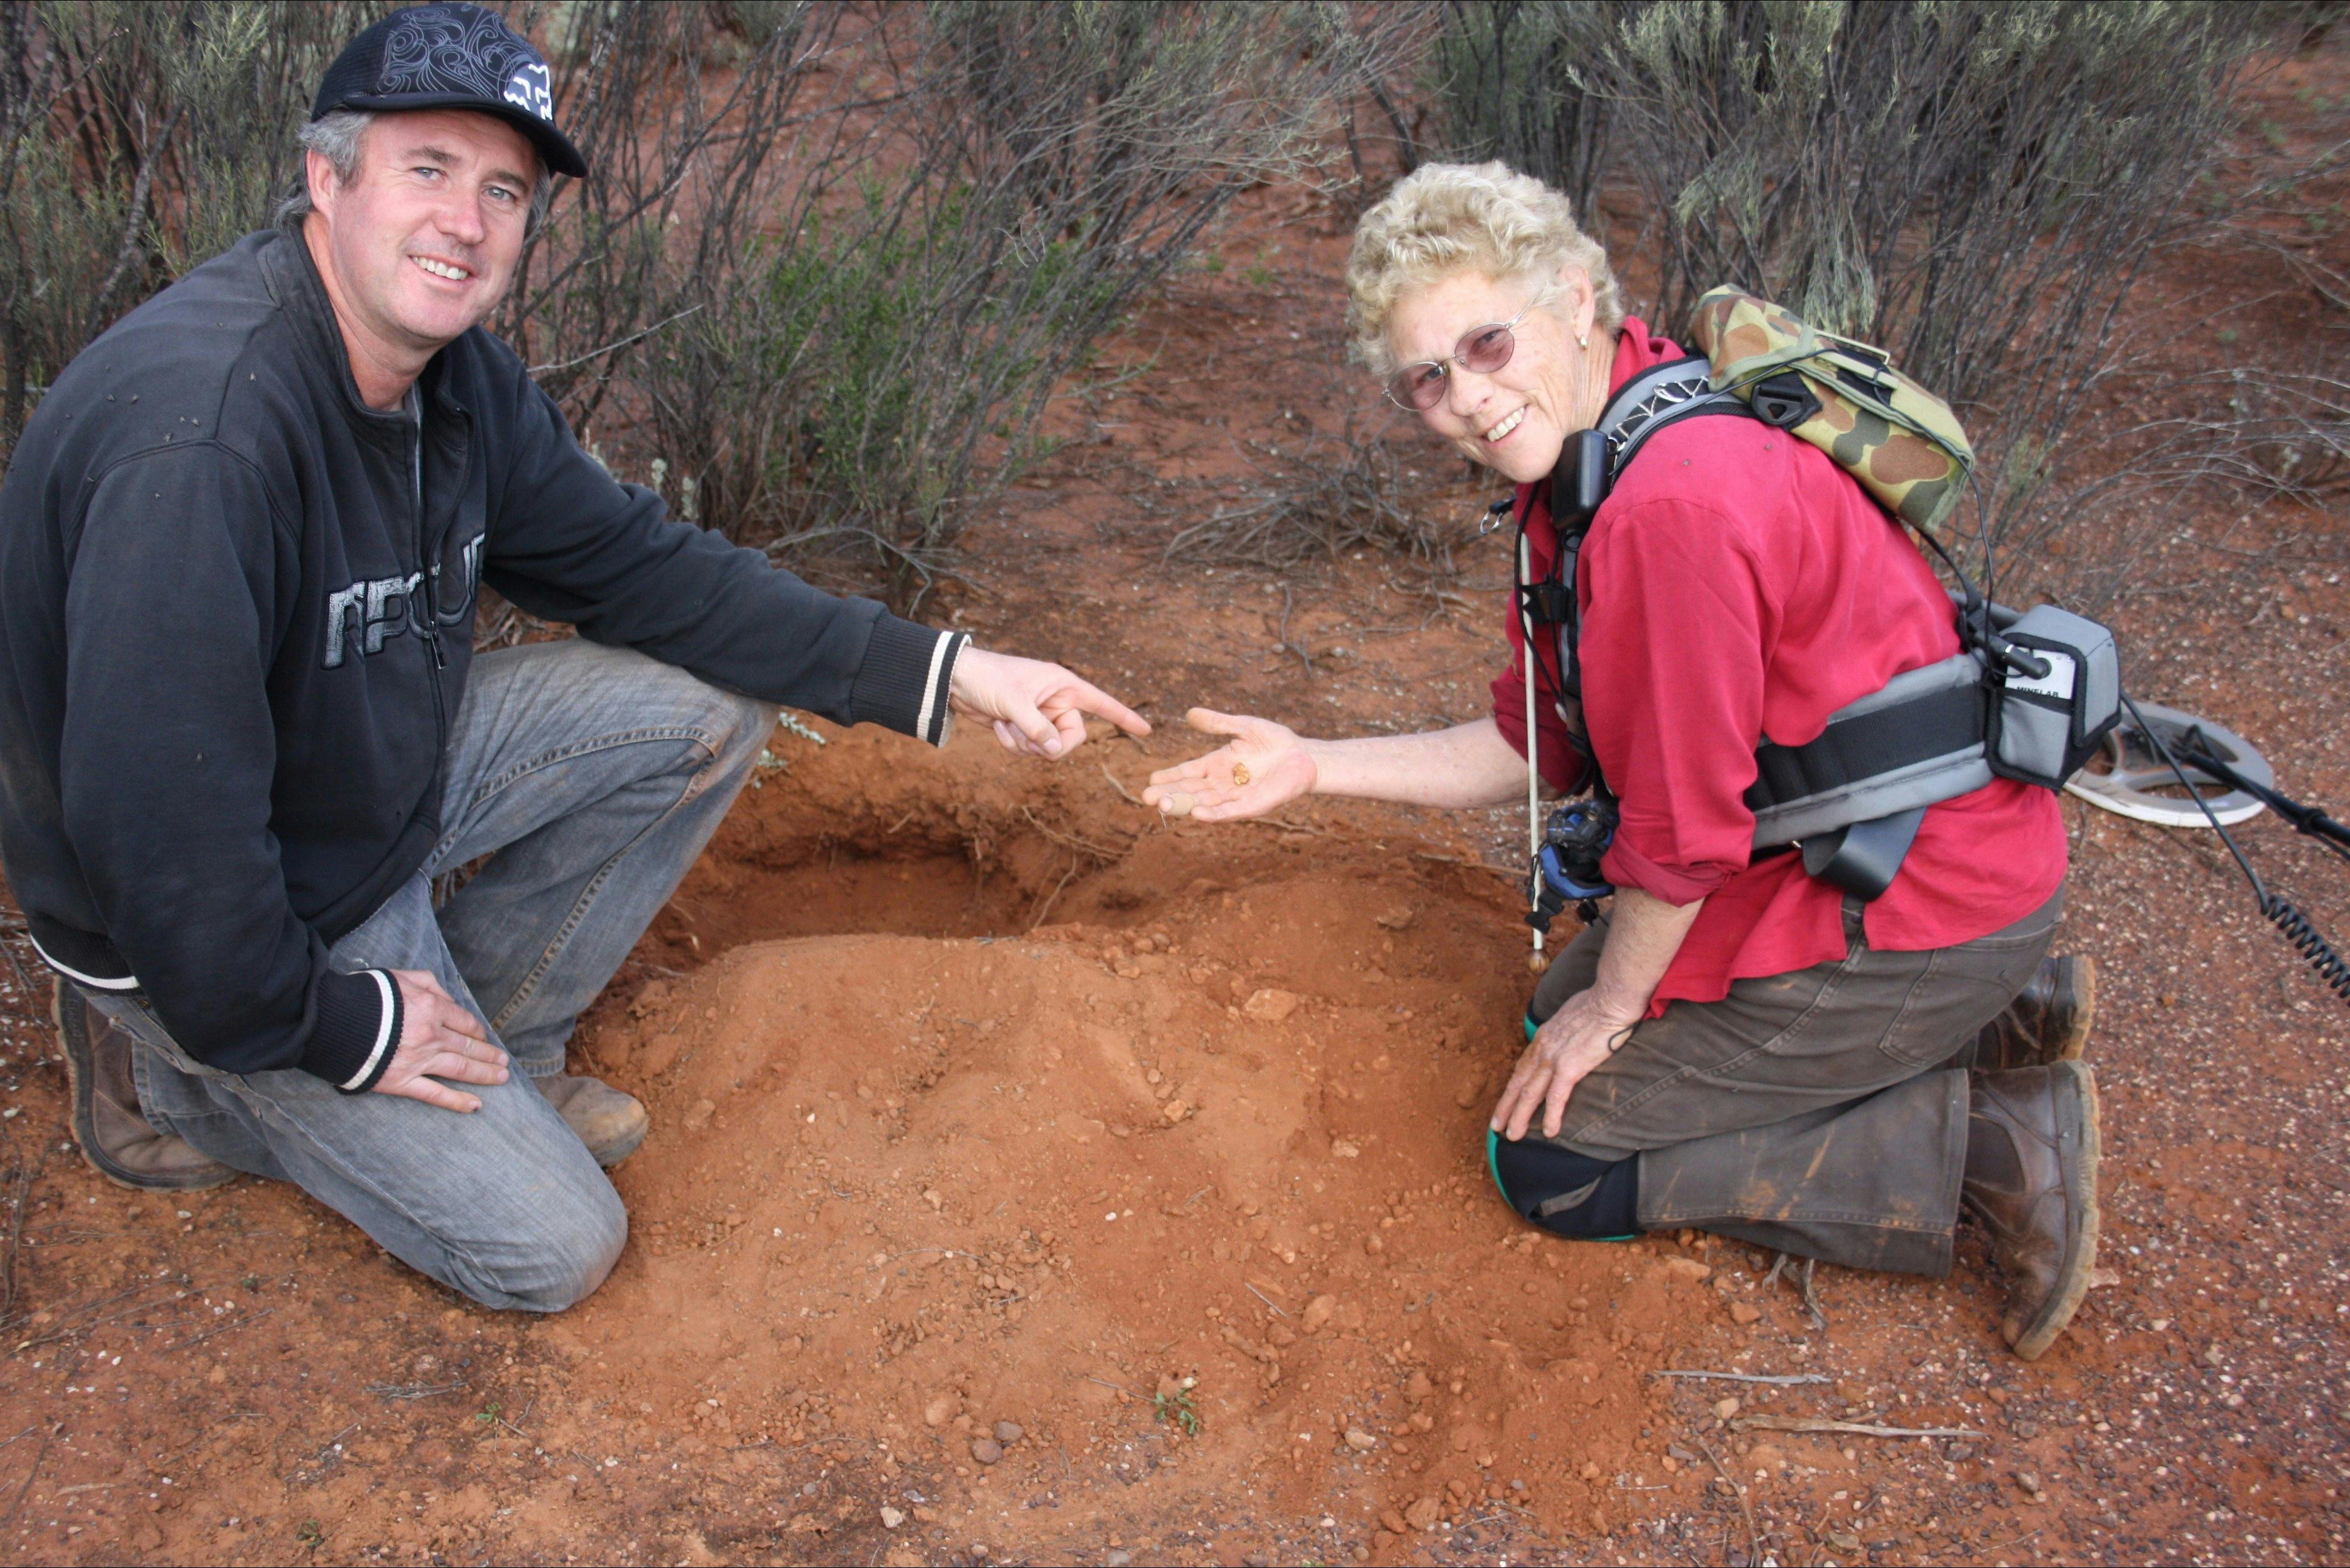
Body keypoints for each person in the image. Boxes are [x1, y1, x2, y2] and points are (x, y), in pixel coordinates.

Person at [0, 4, 1145, 1314]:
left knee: (711, 703)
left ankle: (497, 1034)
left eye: (504, 191)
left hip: (355, 777)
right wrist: (338, 1024)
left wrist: (953, 673)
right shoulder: (205, 447)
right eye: (427, 170)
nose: (466, 223)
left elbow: (643, 571)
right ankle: (176, 1082)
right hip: (205, 918)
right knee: (553, 1248)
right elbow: (164, 833)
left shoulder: (452, 378)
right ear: (327, 176)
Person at [1144, 162, 2102, 1360]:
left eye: (1489, 343)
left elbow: (1682, 834)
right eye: (1427, 378)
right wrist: (1311, 764)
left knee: (1548, 1160)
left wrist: (1616, 1001)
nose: (1465, 400)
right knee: (1549, 1018)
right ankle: (1998, 1011)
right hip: (1887, 859)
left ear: (1578, 296)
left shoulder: (1668, 508)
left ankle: (1992, 1140)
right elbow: (1535, 740)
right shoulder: (1614, 442)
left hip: (1913, 898)